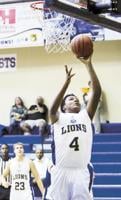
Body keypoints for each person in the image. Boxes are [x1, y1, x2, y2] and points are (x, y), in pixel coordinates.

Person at [46, 55, 101, 200]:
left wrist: (88, 65)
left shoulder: (85, 115)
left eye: (76, 98)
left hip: (81, 171)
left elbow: (97, 93)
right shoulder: (58, 117)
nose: (75, 99)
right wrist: (66, 83)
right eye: (71, 99)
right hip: (61, 170)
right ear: (64, 106)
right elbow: (51, 109)